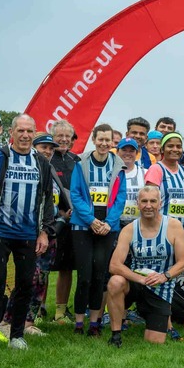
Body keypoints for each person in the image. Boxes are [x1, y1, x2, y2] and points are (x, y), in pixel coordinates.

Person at [0, 114, 55, 352]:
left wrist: (44, 232)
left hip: (28, 235)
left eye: (29, 131)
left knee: (25, 285)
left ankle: (16, 334)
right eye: (20, 130)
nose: (25, 135)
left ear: (34, 133)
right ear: (11, 132)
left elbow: (47, 199)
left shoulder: (41, 162)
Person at [1, 132, 72, 337]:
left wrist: (62, 215)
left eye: (51, 148)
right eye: (44, 147)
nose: (48, 151)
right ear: (34, 148)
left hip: (51, 234)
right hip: (31, 233)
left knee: (40, 280)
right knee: (28, 279)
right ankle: (7, 321)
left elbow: (54, 203)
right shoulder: (31, 168)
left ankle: (28, 321)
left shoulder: (49, 169)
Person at [106, 186, 184, 346]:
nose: (148, 205)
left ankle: (145, 314)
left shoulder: (174, 226)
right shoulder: (129, 229)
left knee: (155, 342)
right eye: (144, 201)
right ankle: (115, 335)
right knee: (115, 282)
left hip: (161, 288)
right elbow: (114, 265)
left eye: (152, 201)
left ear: (160, 203)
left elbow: (183, 263)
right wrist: (140, 279)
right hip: (137, 284)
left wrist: (164, 276)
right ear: (138, 203)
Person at [70, 123, 127, 336]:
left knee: (99, 275)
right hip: (83, 225)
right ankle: (78, 322)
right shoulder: (81, 163)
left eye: (108, 140)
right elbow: (75, 194)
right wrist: (91, 220)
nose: (104, 143)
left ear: (113, 142)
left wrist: (108, 223)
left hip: (107, 227)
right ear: (94, 139)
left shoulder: (118, 165)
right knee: (84, 275)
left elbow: (121, 197)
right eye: (100, 139)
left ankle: (94, 322)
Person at [144, 132, 184, 341]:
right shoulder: (156, 169)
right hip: (162, 229)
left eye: (178, 146)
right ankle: (167, 323)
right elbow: (149, 200)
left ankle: (165, 318)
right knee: (163, 276)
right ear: (162, 149)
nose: (174, 149)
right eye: (170, 146)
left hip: (183, 230)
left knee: (174, 275)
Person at [48, 119, 80, 324]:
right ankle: (38, 309)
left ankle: (60, 311)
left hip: (72, 222)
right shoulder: (44, 157)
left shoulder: (76, 160)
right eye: (59, 136)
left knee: (66, 266)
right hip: (50, 221)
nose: (63, 140)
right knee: (41, 269)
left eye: (67, 136)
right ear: (52, 137)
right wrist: (59, 211)